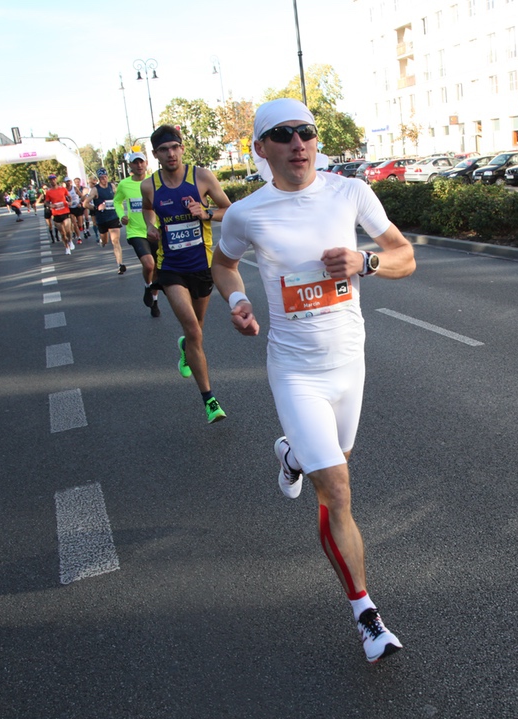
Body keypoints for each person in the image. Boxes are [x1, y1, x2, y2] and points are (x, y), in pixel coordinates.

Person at [212, 98, 415, 663]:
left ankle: (293, 454)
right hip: (295, 371)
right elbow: (223, 264)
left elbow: (404, 256)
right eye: (283, 134)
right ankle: (367, 616)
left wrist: (365, 262)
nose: (298, 143)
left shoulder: (350, 192)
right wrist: (237, 301)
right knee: (338, 489)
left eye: (306, 132)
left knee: (334, 464)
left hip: (350, 365)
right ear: (261, 148)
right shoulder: (246, 214)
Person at [142, 124, 233, 424]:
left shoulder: (202, 177)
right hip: (171, 268)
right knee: (193, 329)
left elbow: (230, 210)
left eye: (174, 147)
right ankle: (210, 400)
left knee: (197, 331)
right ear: (156, 155)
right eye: (164, 150)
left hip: (201, 266)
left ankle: (186, 347)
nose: (171, 154)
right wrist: (150, 226)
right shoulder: (150, 186)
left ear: (182, 148)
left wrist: (206, 213)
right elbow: (147, 208)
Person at [114, 151, 158, 316]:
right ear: (130, 166)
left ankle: (154, 300)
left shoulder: (154, 181)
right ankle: (148, 286)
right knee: (149, 264)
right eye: (135, 163)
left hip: (155, 229)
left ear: (146, 163)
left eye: (141, 162)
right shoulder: (124, 184)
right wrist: (121, 215)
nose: (139, 165)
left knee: (157, 268)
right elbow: (117, 201)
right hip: (135, 231)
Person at [84, 167, 125, 274]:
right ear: (98, 178)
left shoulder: (112, 186)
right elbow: (85, 204)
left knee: (115, 241)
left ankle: (120, 265)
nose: (104, 179)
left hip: (113, 217)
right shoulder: (95, 189)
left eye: (105, 177)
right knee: (105, 240)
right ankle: (102, 241)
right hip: (102, 219)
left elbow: (118, 198)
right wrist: (96, 208)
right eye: (101, 178)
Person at [42, 174, 75, 252]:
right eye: (51, 180)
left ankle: (70, 241)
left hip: (65, 212)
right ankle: (67, 247)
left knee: (68, 230)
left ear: (56, 179)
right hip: (56, 214)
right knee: (62, 233)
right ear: (49, 181)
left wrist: (70, 202)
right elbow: (46, 202)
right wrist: (50, 205)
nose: (53, 181)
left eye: (54, 179)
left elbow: (69, 197)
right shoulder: (49, 192)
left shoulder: (63, 189)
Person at [65, 177, 85, 243]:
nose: (68, 183)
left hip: (77, 207)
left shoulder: (74, 188)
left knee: (80, 224)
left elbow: (81, 196)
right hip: (70, 208)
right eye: (66, 181)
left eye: (69, 181)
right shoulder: (64, 190)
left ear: (70, 182)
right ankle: (79, 238)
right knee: (74, 224)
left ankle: (81, 227)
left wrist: (80, 202)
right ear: (65, 182)